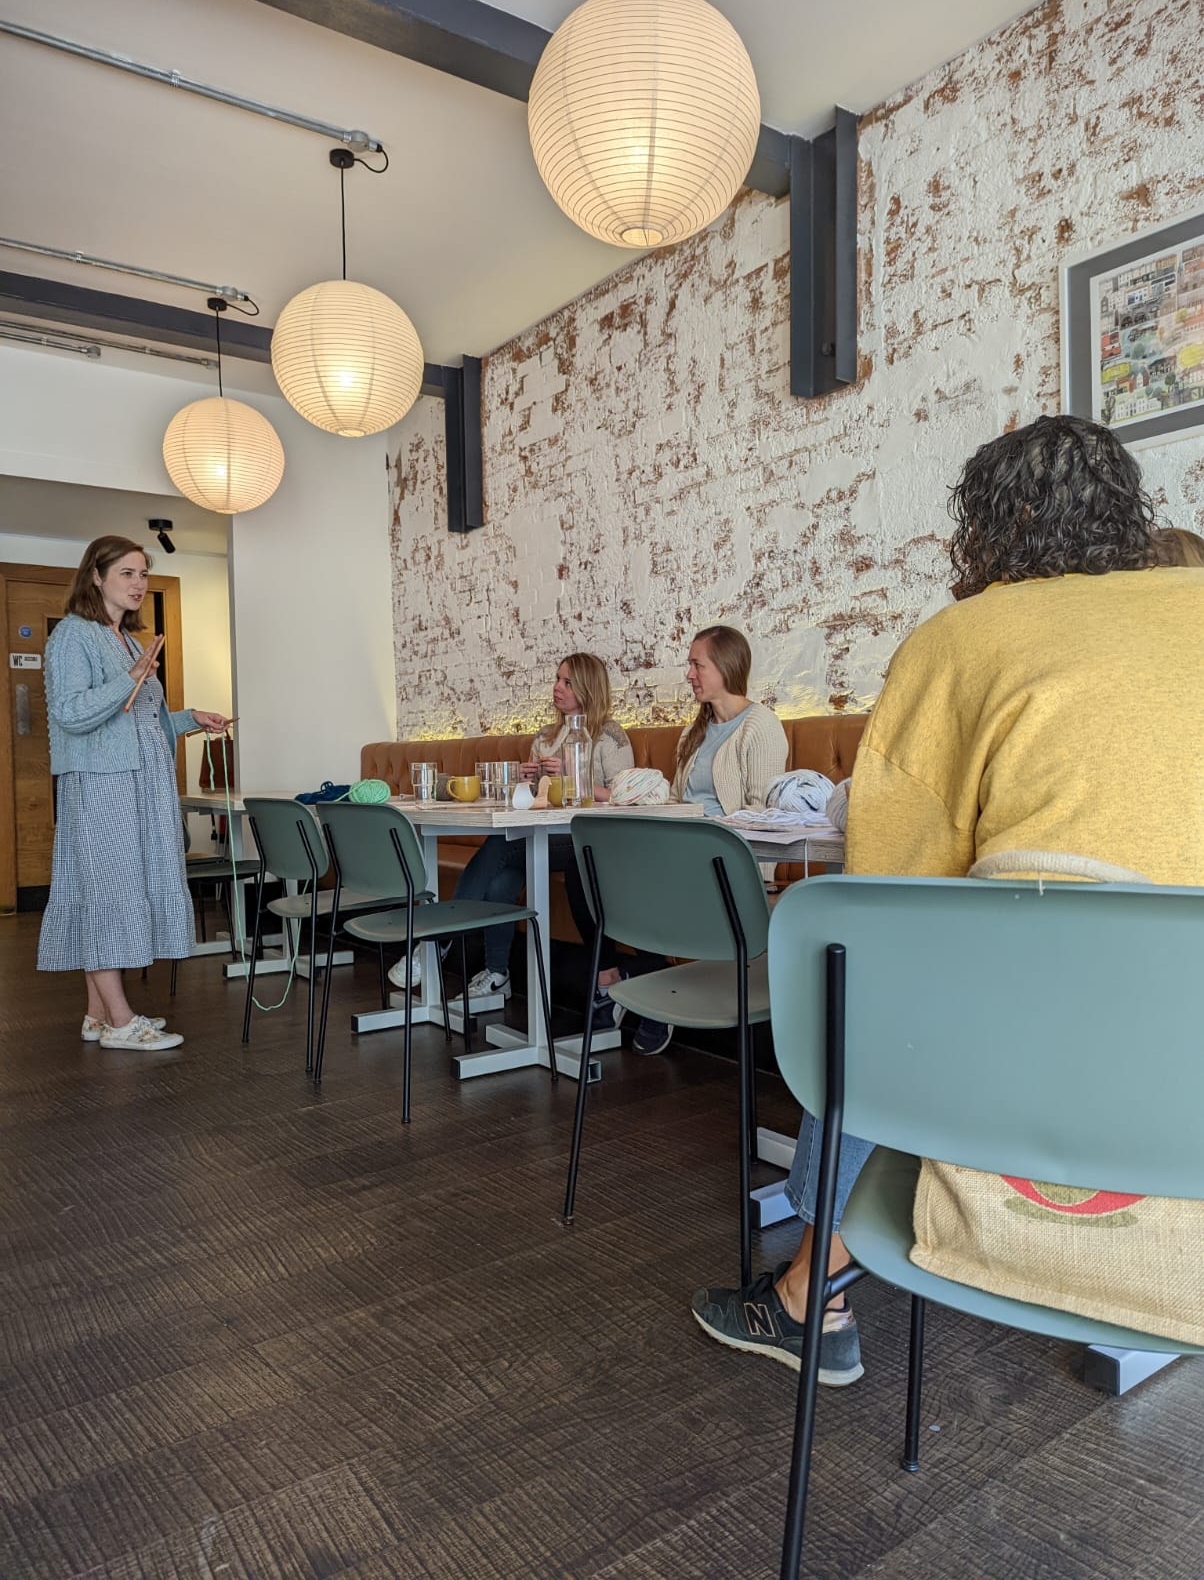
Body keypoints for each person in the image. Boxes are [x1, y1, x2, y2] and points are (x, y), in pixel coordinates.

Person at [692, 413, 1204, 1382]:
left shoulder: (963, 641)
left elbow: (890, 897)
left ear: (994, 524)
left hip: (1039, 1063)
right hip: (1184, 1066)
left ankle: (811, 1297)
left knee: (876, 990)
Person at [37, 536, 233, 1050]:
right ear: (96, 577)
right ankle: (122, 1023)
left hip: (138, 783)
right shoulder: (74, 638)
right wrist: (131, 676)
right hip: (103, 786)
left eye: (143, 574)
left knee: (116, 890)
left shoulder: (122, 638)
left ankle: (98, 1016)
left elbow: (137, 722)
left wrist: (191, 719)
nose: (139, 584)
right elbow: (72, 713)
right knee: (105, 893)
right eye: (127, 573)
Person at [389, 654, 633, 1004]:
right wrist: (528, 782)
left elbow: (624, 796)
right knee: (505, 874)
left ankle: (436, 940)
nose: (557, 688)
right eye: (557, 679)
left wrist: (572, 774)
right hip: (544, 834)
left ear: (587, 687)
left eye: (567, 682)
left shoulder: (610, 735)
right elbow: (537, 802)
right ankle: (497, 974)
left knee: (500, 847)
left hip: (586, 839)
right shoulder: (546, 736)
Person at [612, 625, 788, 1054]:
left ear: (726, 667)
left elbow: (764, 816)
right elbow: (677, 800)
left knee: (628, 882)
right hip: (681, 850)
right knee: (599, 873)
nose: (689, 674)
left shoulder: (760, 727)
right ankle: (646, 982)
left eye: (697, 664)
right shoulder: (696, 732)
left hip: (726, 859)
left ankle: (646, 992)